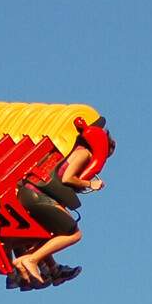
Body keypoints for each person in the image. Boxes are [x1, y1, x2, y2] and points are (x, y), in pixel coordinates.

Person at [11, 117, 112, 285]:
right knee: (73, 234)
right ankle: (31, 260)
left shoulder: (69, 150)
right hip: (37, 195)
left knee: (48, 232)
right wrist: (90, 184)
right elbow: (67, 178)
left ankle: (48, 268)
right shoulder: (83, 153)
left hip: (29, 193)